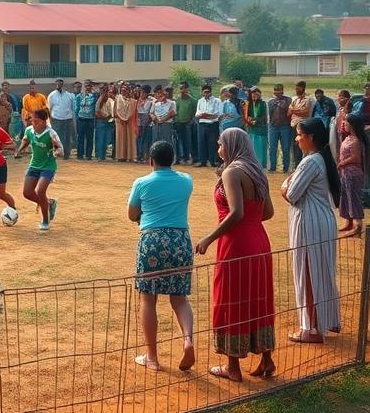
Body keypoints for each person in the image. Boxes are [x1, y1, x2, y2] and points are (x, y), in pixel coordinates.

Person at [195, 128, 276, 381]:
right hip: (259, 240)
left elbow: (236, 212)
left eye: (220, 144)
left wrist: (209, 237)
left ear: (230, 145)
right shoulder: (256, 171)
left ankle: (232, 367)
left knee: (231, 298)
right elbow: (268, 212)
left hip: (236, 243)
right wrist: (251, 223)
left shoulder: (232, 172)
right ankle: (266, 359)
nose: (218, 148)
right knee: (258, 297)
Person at [127, 141, 195, 372]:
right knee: (180, 297)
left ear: (151, 160)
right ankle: (188, 340)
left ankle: (152, 357)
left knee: (148, 298)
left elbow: (132, 214)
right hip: (180, 241)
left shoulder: (141, 183)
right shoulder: (186, 180)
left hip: (152, 240)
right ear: (172, 159)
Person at [280, 118, 341, 343]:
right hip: (319, 222)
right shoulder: (319, 158)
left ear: (310, 137)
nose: (296, 139)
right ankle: (326, 320)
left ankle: (313, 328)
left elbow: (292, 194)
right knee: (322, 272)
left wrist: (284, 186)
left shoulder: (311, 162)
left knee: (309, 274)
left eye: (299, 134)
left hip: (310, 225)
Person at [15, 109, 63, 230]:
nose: (34, 123)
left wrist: (57, 152)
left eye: (36, 121)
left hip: (48, 167)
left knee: (40, 191)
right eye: (32, 120)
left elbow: (59, 148)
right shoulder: (29, 130)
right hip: (34, 165)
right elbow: (26, 140)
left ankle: (45, 221)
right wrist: (19, 151)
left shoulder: (51, 133)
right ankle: (49, 203)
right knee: (27, 193)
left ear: (44, 121)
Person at [337, 114, 366, 237]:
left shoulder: (355, 141)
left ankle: (357, 226)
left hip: (353, 174)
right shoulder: (348, 138)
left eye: (346, 122)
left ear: (352, 125)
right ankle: (348, 222)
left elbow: (355, 157)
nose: (343, 124)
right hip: (345, 173)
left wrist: (341, 163)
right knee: (345, 197)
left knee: (354, 198)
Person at [195, 85, 222, 167]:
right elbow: (197, 114)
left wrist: (205, 115)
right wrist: (207, 115)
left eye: (208, 92)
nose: (207, 94)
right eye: (205, 92)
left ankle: (212, 161)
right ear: (202, 92)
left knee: (212, 143)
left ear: (211, 92)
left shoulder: (216, 100)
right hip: (202, 124)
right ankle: (202, 161)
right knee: (201, 142)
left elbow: (217, 114)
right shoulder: (200, 101)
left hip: (212, 124)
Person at [47, 79, 74, 159]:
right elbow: (49, 109)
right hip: (56, 119)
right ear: (55, 84)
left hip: (67, 119)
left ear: (62, 84)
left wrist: (72, 119)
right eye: (57, 83)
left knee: (67, 138)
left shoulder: (69, 95)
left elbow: (72, 108)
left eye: (60, 83)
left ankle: (66, 154)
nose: (59, 85)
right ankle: (57, 154)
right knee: (56, 138)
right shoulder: (51, 95)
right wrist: (50, 120)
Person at [268, 83, 292, 173]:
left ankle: (286, 168)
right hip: (273, 126)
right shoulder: (270, 101)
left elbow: (288, 111)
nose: (277, 92)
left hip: (285, 126)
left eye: (279, 90)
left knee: (285, 148)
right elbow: (270, 113)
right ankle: (273, 167)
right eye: (275, 90)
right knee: (272, 148)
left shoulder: (288, 100)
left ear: (282, 91)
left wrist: (281, 104)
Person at [288, 81, 313, 168]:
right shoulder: (294, 98)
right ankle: (296, 165)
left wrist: (294, 111)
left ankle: (304, 164)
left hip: (302, 126)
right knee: (295, 145)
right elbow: (288, 113)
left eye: (298, 88)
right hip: (293, 125)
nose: (296, 90)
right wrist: (298, 111)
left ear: (303, 88)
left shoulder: (308, 99)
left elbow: (305, 113)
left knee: (303, 145)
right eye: (296, 88)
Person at [174, 82, 197, 165]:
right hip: (178, 124)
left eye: (183, 88)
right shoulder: (177, 101)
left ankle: (189, 158)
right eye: (180, 88)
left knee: (188, 141)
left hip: (188, 124)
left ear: (187, 89)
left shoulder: (193, 101)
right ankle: (180, 158)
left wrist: (190, 121)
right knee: (179, 141)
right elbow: (175, 112)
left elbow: (194, 112)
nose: (181, 90)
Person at [244, 87, 268, 168]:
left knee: (261, 148)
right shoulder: (248, 104)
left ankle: (261, 165)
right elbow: (246, 116)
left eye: (257, 94)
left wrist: (255, 120)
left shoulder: (263, 103)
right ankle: (253, 164)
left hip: (261, 129)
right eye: (253, 94)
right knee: (252, 148)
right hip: (251, 129)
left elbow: (264, 117)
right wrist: (249, 120)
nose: (255, 96)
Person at [114, 83, 137, 162]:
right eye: (122, 90)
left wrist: (127, 118)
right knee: (120, 138)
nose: (124, 92)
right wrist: (122, 118)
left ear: (128, 91)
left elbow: (133, 110)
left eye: (125, 90)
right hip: (120, 122)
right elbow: (116, 111)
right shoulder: (118, 98)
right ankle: (120, 156)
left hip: (129, 122)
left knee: (129, 138)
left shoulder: (132, 101)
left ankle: (129, 156)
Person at [75, 80, 97, 160]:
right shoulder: (79, 96)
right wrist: (77, 118)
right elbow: (76, 108)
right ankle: (80, 154)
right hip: (81, 119)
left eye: (89, 86)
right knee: (80, 137)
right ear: (84, 87)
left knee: (90, 138)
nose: (87, 87)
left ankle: (88, 155)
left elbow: (95, 108)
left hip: (90, 119)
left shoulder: (94, 96)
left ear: (91, 87)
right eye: (86, 85)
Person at [150, 87, 176, 152]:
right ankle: (156, 158)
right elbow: (151, 113)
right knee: (155, 141)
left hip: (166, 124)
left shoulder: (172, 103)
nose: (162, 96)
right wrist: (154, 118)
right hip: (156, 124)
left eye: (164, 95)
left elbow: (172, 114)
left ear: (166, 95)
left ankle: (171, 158)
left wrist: (162, 120)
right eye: (160, 94)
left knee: (167, 141)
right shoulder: (155, 103)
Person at [95, 84, 115, 162]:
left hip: (108, 122)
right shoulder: (99, 100)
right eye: (104, 91)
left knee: (107, 139)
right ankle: (100, 156)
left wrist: (108, 117)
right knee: (101, 139)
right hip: (101, 121)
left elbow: (112, 112)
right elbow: (97, 112)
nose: (105, 93)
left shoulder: (110, 100)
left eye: (107, 91)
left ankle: (103, 155)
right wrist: (104, 117)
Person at [135, 85, 153, 163]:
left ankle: (146, 156)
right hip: (139, 122)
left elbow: (147, 111)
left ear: (146, 93)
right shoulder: (137, 100)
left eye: (142, 92)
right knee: (139, 139)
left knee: (146, 140)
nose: (141, 94)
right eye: (141, 92)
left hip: (147, 122)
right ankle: (139, 155)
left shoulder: (150, 101)